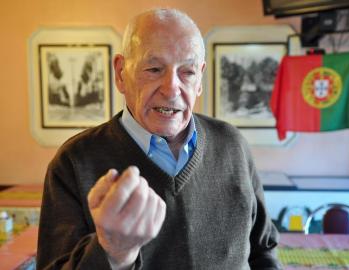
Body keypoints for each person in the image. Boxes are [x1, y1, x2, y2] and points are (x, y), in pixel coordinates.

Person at [37, 8, 282, 270]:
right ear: (121, 73)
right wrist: (113, 253)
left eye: (187, 72)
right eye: (154, 69)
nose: (171, 88)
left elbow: (262, 251)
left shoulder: (232, 144)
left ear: (200, 78)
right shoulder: (74, 162)